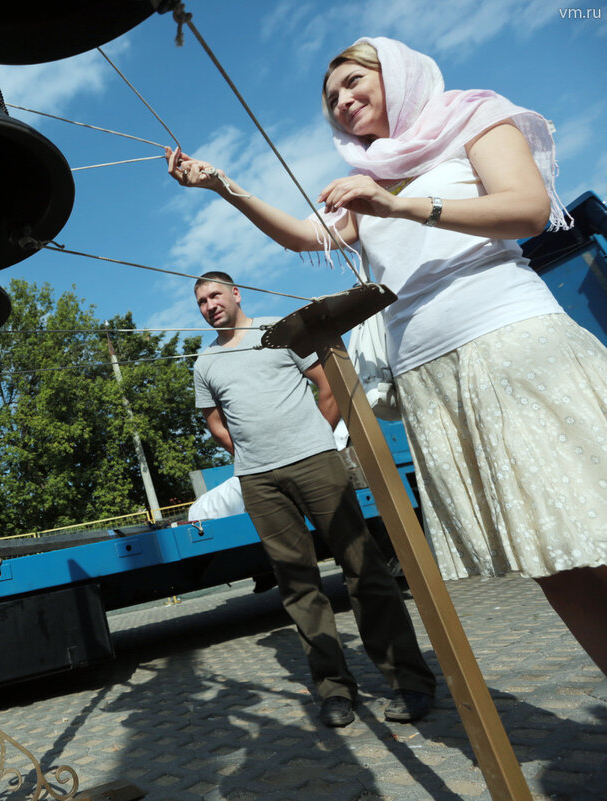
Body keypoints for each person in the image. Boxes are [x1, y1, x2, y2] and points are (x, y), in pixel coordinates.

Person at [165, 37, 607, 677]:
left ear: (395, 74)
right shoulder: (371, 177)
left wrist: (400, 204)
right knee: (550, 563)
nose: (342, 102)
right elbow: (306, 237)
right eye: (330, 98)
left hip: (510, 347)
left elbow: (530, 209)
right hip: (430, 379)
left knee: (592, 530)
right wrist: (220, 185)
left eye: (352, 82)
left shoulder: (475, 116)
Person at [192, 271, 435, 727]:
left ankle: (410, 681)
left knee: (363, 566)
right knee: (298, 585)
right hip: (259, 481)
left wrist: (314, 438)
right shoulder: (204, 365)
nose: (210, 306)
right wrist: (252, 456)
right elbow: (216, 424)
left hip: (316, 462)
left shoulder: (280, 333)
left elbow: (329, 388)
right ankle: (335, 691)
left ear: (236, 293)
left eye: (216, 295)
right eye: (202, 302)